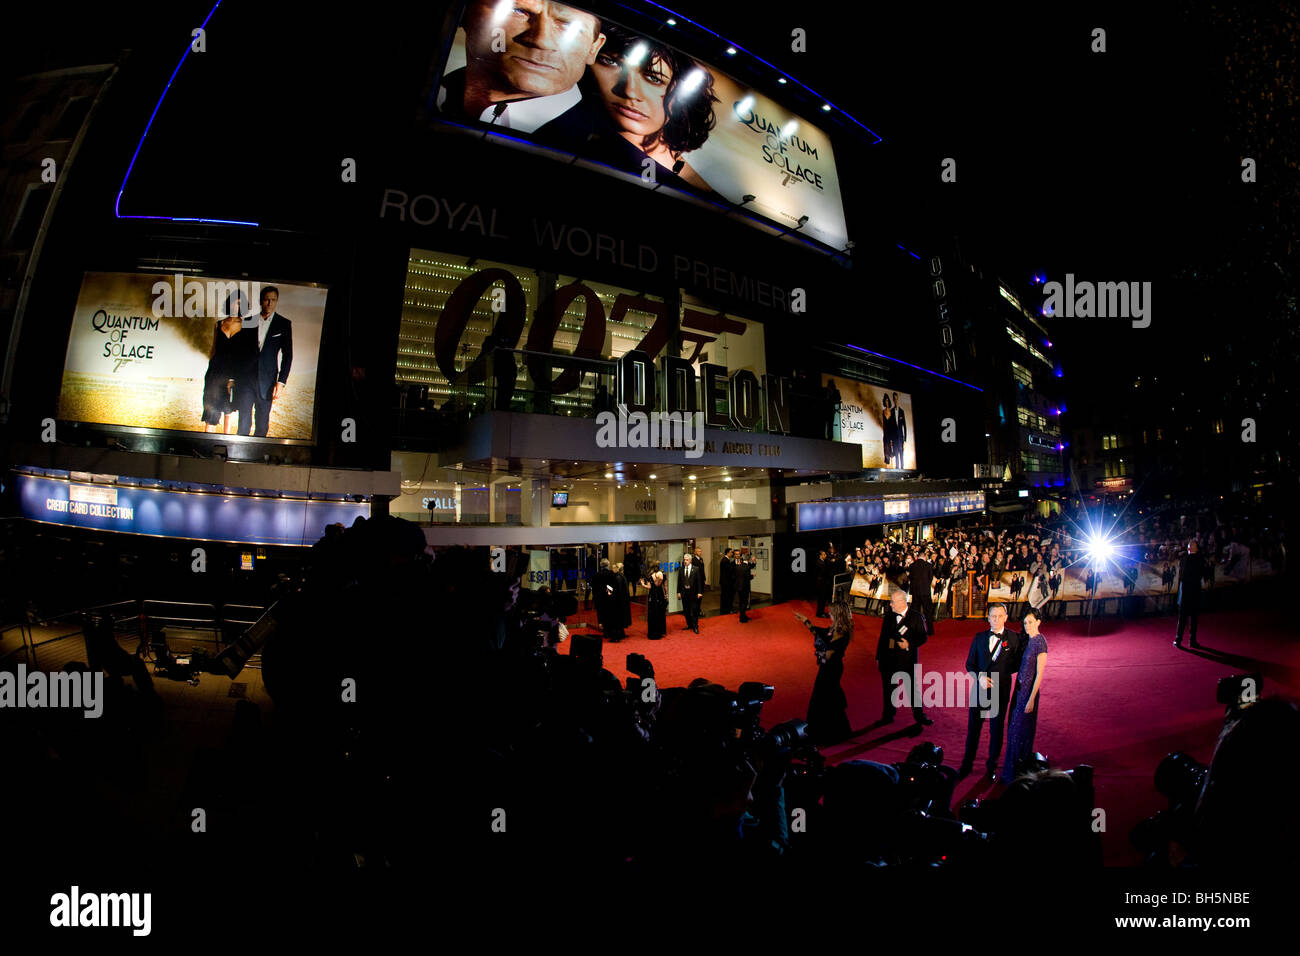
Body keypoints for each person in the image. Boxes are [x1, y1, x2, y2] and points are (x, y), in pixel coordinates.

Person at [436, 0, 608, 153]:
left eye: (569, 26)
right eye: (517, 11)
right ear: (465, 13)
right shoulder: (435, 93)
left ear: (594, 48)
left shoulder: (606, 151)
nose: (541, 40)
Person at [582, 22, 717, 191]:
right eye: (610, 62)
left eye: (654, 79)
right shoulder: (562, 136)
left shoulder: (702, 195)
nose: (629, 91)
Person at [958, 603, 1024, 778]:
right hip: (979, 690)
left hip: (1000, 691)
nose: (996, 619)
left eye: (1000, 616)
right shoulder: (979, 638)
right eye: (993, 616)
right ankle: (967, 764)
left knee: (996, 730)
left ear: (1006, 617)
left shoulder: (1014, 638)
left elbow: (1018, 664)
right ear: (987, 618)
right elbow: (969, 664)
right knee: (974, 729)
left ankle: (992, 766)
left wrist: (1001, 676)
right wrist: (979, 676)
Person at [1000, 609, 1048, 784]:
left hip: (1028, 693)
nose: (1027, 625)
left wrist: (1032, 698)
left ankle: (1018, 772)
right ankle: (1012, 769)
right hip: (1018, 691)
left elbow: (1039, 674)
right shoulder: (1027, 640)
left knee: (1020, 731)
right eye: (1025, 623)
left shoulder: (1041, 642)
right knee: (1013, 730)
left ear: (1038, 622)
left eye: (1030, 622)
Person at [795, 601, 853, 745]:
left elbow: (829, 653)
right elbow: (819, 632)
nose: (829, 614)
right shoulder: (834, 628)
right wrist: (806, 622)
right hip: (827, 666)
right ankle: (839, 730)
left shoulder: (843, 632)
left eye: (832, 612)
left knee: (824, 696)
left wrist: (820, 651)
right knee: (827, 696)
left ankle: (825, 732)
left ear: (839, 614)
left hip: (833, 668)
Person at [240, 286, 293, 438]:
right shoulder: (248, 321)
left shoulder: (284, 324)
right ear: (260, 301)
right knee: (243, 423)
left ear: (277, 301)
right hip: (246, 381)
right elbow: (241, 352)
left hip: (268, 382)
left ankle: (256, 457)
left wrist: (281, 382)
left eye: (273, 300)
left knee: (262, 425)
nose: (269, 303)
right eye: (266, 299)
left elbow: (288, 355)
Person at [875, 590, 932, 726]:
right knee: (888, 689)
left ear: (902, 602)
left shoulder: (917, 617)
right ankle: (888, 715)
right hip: (888, 659)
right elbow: (883, 638)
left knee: (912, 689)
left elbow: (923, 637)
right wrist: (879, 657)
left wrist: (909, 644)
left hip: (907, 660)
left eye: (892, 602)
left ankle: (919, 716)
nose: (890, 604)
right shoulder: (889, 616)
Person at [201, 290, 255, 434]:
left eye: (239, 303)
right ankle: (206, 445)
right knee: (210, 410)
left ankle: (226, 443)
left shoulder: (248, 325)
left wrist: (235, 377)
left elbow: (247, 354)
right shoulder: (218, 324)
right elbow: (213, 349)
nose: (236, 306)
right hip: (215, 373)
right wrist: (210, 371)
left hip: (234, 374)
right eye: (233, 302)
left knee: (228, 410)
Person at [1174, 539, 1206, 648]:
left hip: (1186, 591)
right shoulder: (1200, 559)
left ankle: (1179, 640)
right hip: (1194, 590)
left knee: (1183, 617)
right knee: (1193, 617)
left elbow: (1182, 576)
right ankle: (1191, 640)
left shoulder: (1184, 559)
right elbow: (1201, 574)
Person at [908, 549, 935, 636]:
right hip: (925, 592)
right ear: (924, 557)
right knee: (928, 612)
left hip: (915, 592)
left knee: (915, 612)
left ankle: (915, 630)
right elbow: (930, 578)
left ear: (918, 557)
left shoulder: (912, 566)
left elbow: (910, 578)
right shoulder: (929, 565)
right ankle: (930, 631)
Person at [677, 551, 702, 633]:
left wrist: (699, 592)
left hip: (693, 593)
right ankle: (689, 624)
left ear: (690, 560)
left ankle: (695, 626)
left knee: (694, 610)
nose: (685, 561)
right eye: (684, 560)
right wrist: (678, 592)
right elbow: (679, 582)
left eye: (687, 560)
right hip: (684, 593)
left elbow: (699, 582)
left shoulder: (696, 569)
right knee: (686, 610)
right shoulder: (681, 570)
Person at [643, 569, 667, 640]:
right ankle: (662, 631)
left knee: (653, 614)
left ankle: (654, 632)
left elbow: (650, 587)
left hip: (653, 596)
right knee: (661, 613)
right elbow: (665, 586)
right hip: (660, 595)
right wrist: (666, 594)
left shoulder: (651, 576)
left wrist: (643, 584)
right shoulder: (663, 575)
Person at [734, 549, 755, 623]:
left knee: (741, 602)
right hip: (745, 587)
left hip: (739, 587)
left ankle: (742, 616)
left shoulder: (737, 566)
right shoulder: (747, 567)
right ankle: (742, 618)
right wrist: (753, 576)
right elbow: (747, 577)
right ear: (748, 560)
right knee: (744, 602)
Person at [612, 562, 631, 640]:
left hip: (619, 601)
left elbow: (617, 590)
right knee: (621, 618)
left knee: (618, 618)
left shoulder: (618, 577)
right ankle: (621, 633)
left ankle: (618, 635)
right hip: (623, 600)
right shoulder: (622, 577)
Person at [881, 394, 898, 469]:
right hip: (886, 433)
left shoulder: (892, 411)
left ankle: (894, 467)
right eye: (885, 400)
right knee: (886, 448)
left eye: (887, 400)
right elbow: (884, 423)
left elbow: (894, 423)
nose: (886, 402)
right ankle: (887, 466)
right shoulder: (883, 411)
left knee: (892, 449)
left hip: (892, 433)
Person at [718, 547, 735, 615]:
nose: (732, 554)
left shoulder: (725, 560)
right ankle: (726, 610)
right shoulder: (725, 560)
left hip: (725, 582)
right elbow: (729, 570)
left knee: (725, 596)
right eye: (731, 552)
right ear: (728, 553)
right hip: (726, 582)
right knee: (726, 596)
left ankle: (725, 609)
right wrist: (734, 563)